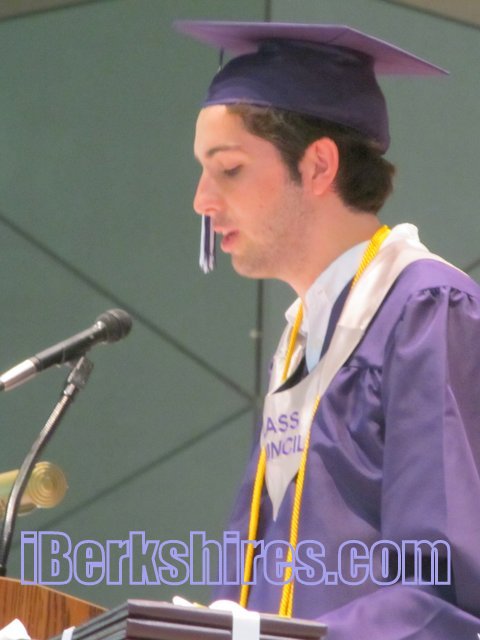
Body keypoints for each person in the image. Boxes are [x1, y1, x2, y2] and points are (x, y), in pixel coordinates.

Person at [176, 21, 480, 639]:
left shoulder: (425, 311)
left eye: (229, 168)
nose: (201, 200)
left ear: (318, 166)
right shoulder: (303, 340)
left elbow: (447, 592)